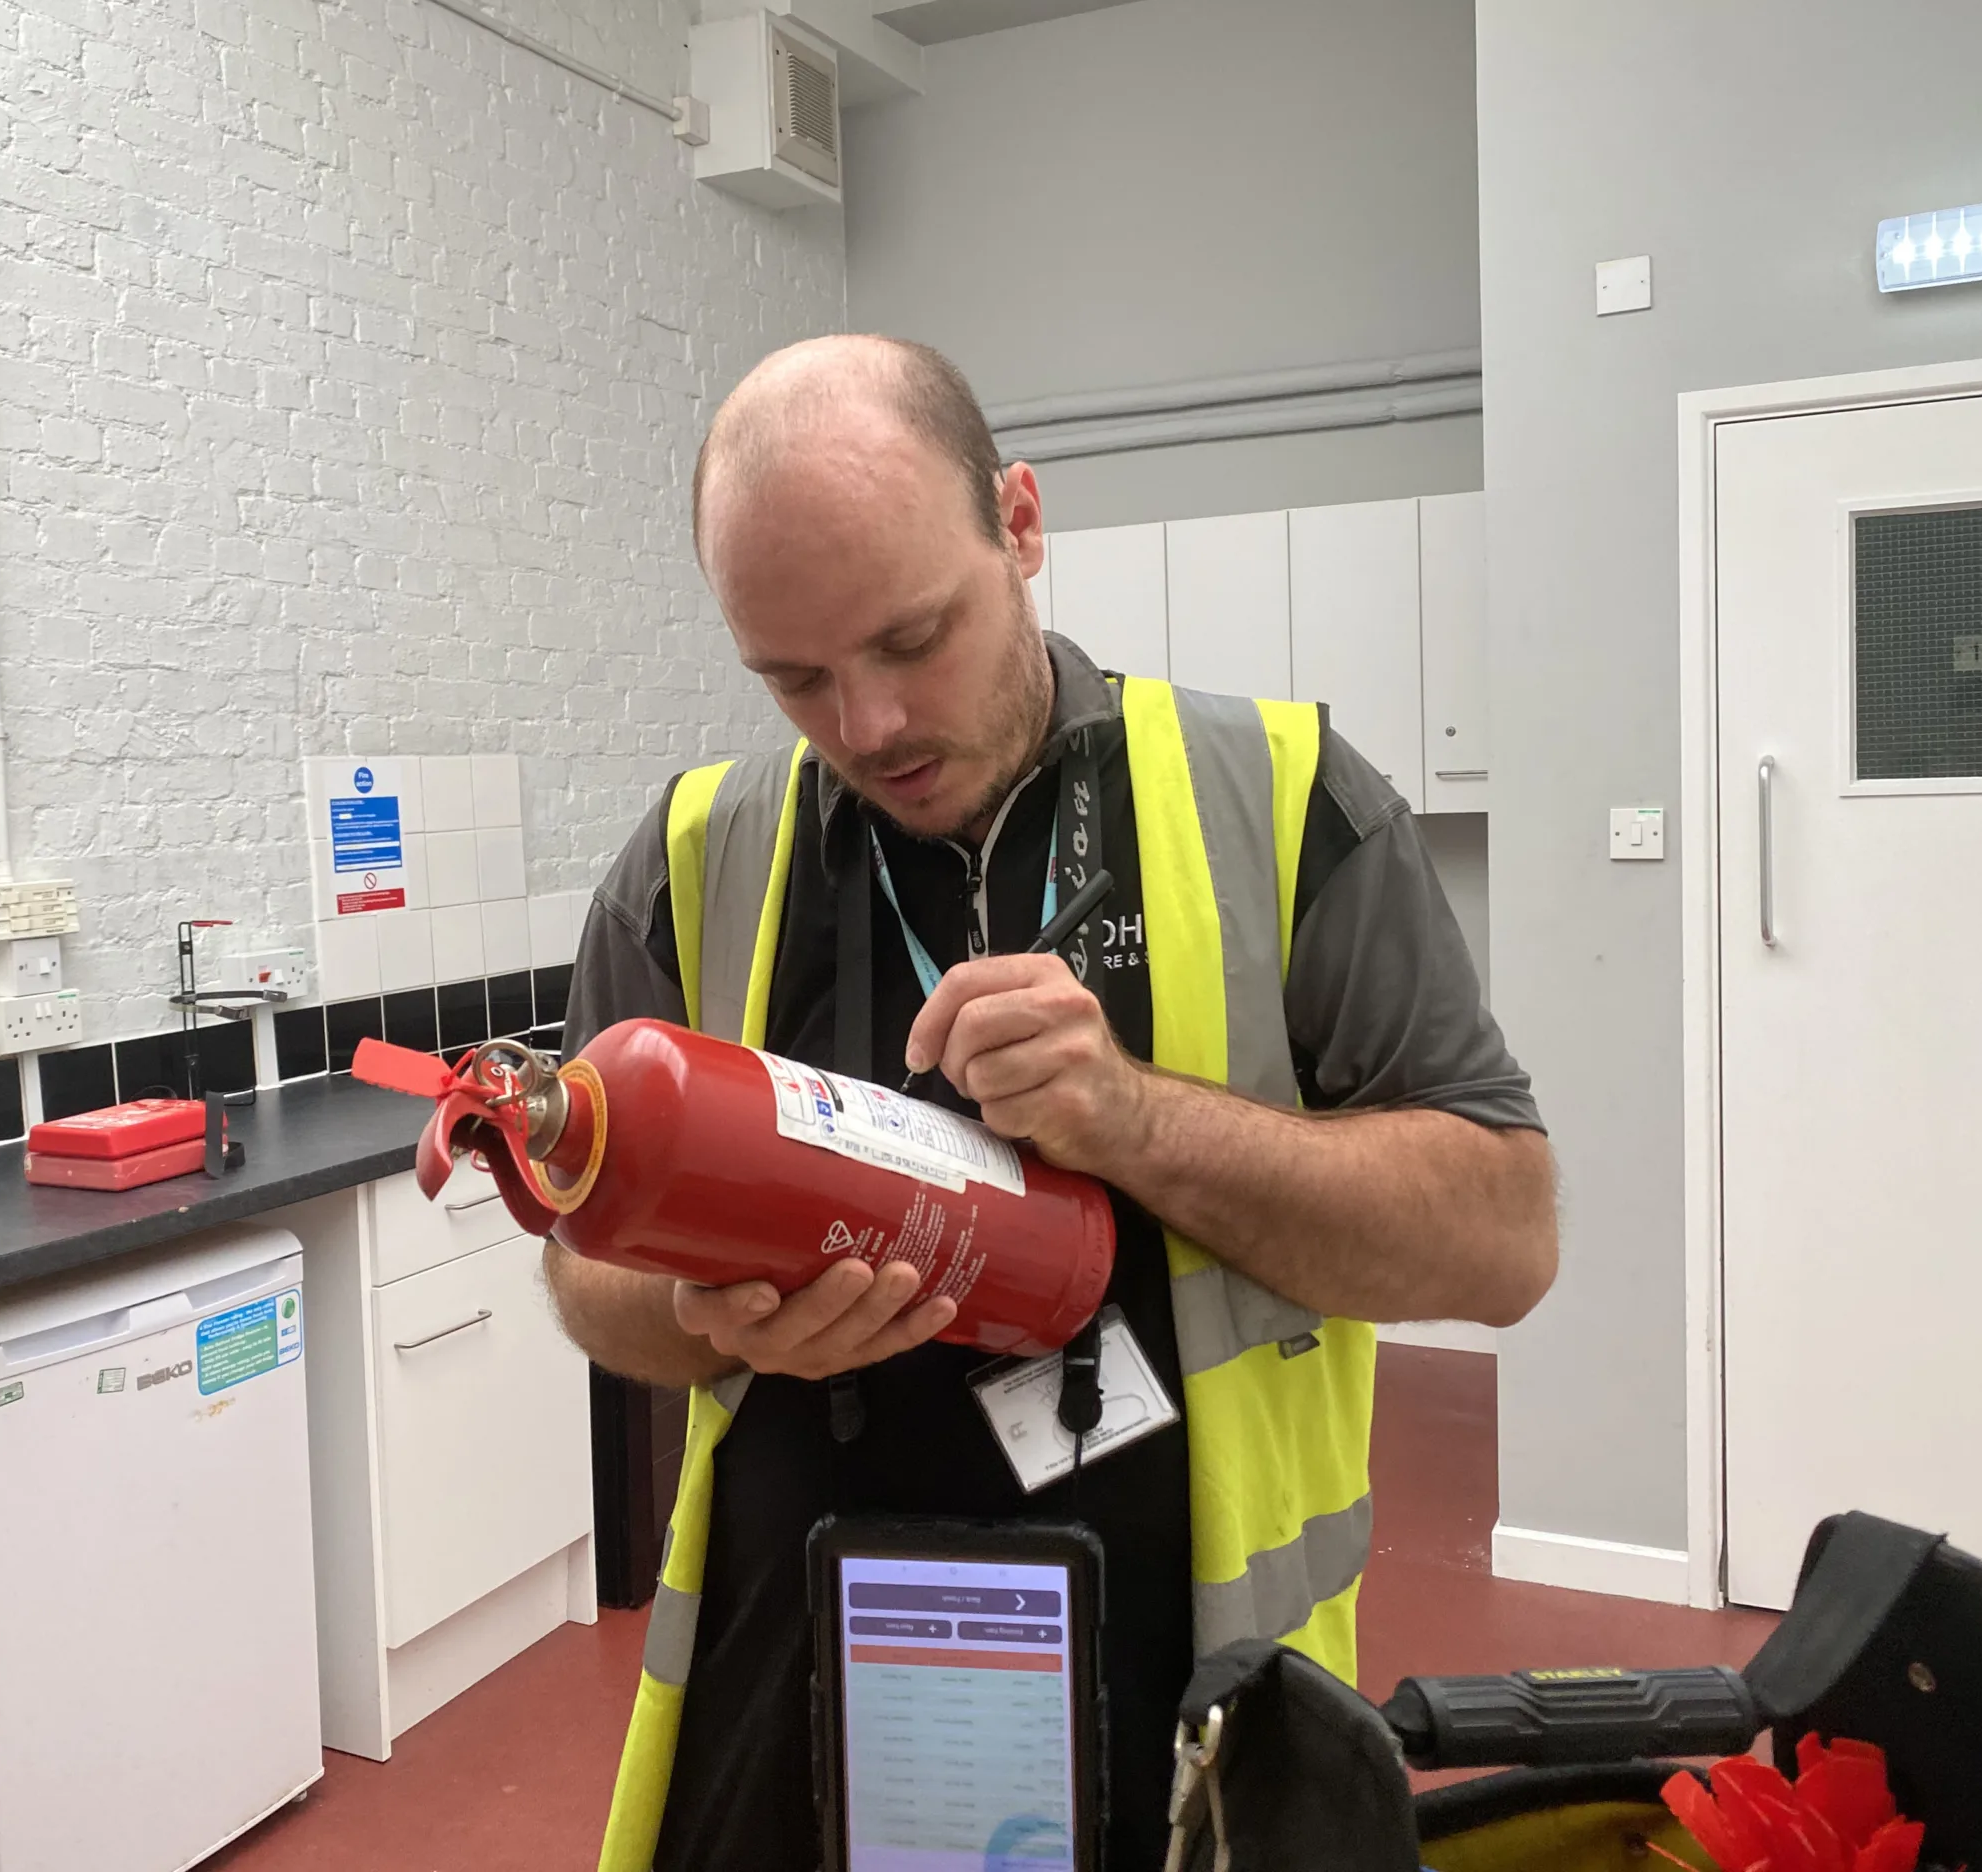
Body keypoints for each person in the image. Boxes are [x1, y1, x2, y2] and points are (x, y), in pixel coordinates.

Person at [550, 335, 1557, 1872]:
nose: (869, 724)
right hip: (790, 1703)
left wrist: (1139, 1121)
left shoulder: (1282, 799)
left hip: (1193, 1711)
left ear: (1019, 524)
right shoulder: (694, 858)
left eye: (912, 639)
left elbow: (1502, 1242)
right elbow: (584, 1277)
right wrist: (706, 1320)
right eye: (795, 677)